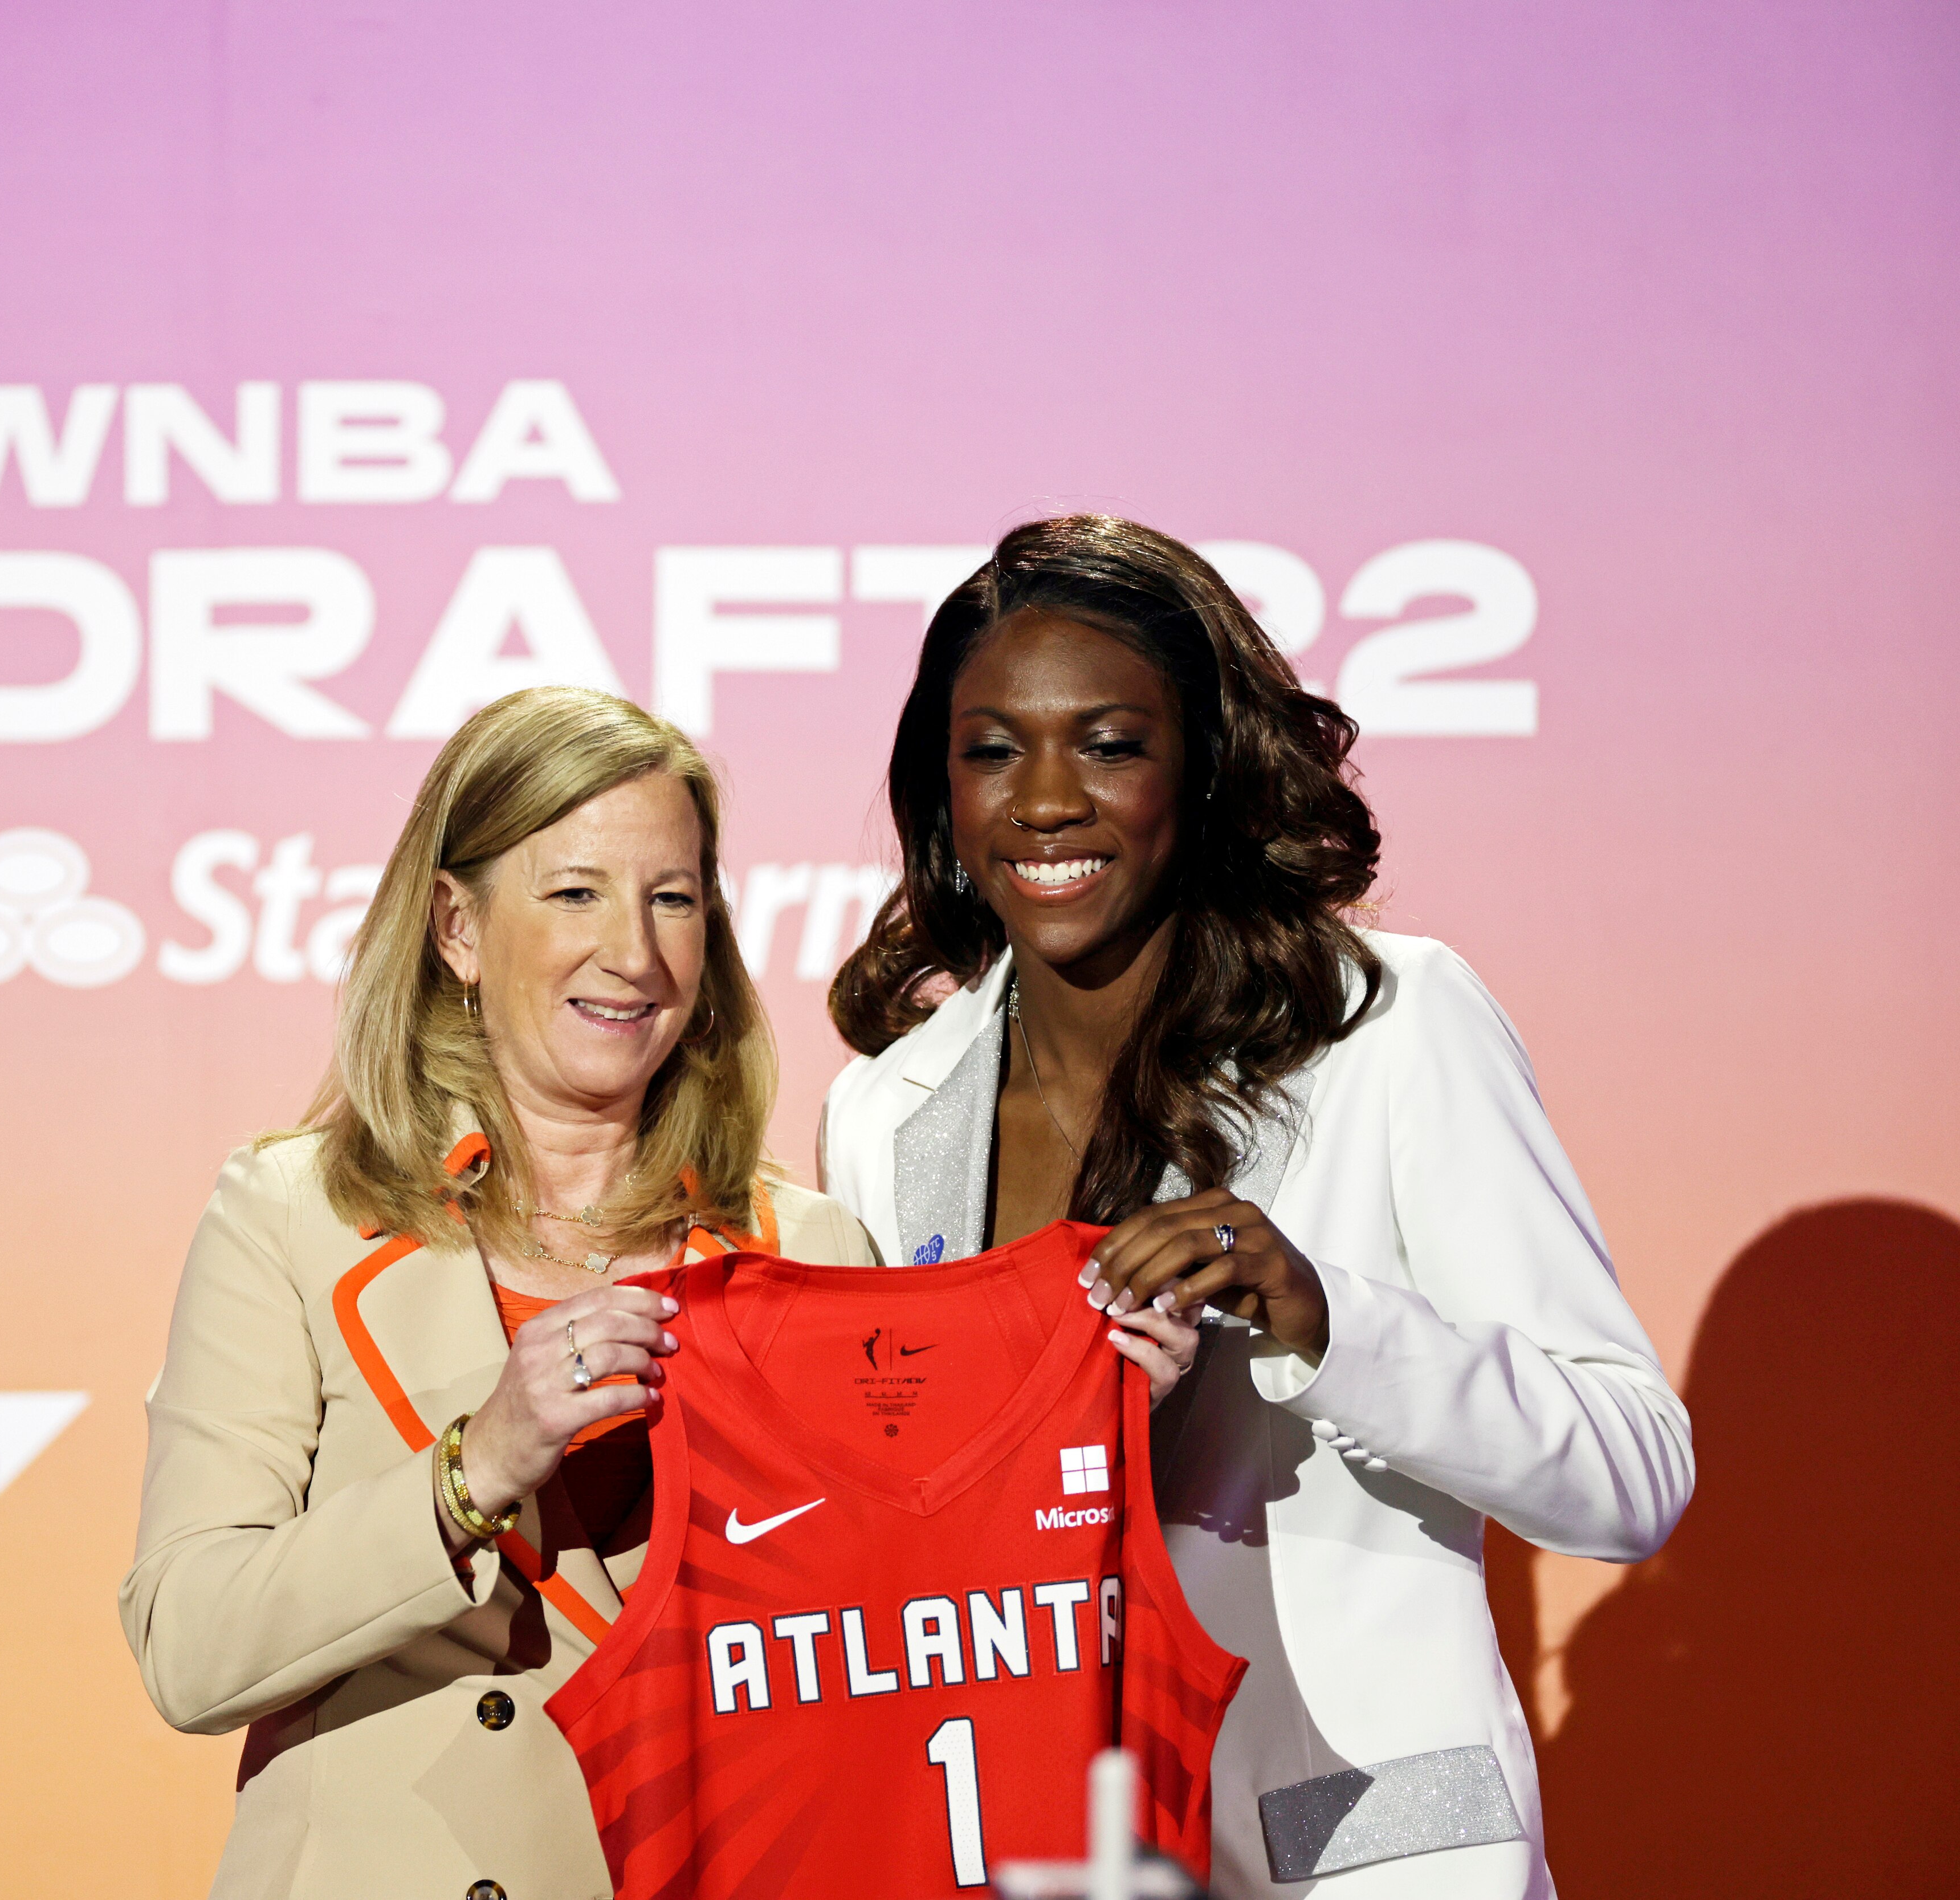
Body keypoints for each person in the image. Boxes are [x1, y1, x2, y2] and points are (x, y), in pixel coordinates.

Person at [125, 688, 1189, 1899]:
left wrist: (1077, 1431)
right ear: (455, 926)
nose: (632, 953)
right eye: (574, 892)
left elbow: (908, 1646)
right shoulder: (292, 1214)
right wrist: (475, 1467)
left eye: (671, 898)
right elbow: (190, 1646)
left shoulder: (808, 1244)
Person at [819, 516, 1693, 1899]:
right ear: (941, 794)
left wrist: (1323, 1314)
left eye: (1107, 742)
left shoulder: (1384, 1026)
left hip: (1352, 1851)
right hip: (1038, 1852)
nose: (1045, 799)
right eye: (992, 750)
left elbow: (1631, 1472)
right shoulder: (883, 1113)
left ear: (1207, 764)